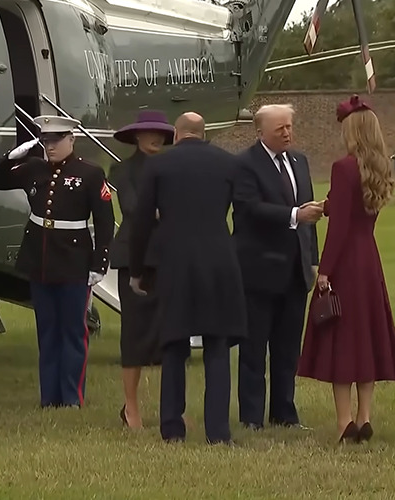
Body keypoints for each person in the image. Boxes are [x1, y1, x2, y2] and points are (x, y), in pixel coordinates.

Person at [129, 112, 246, 445]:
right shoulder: (228, 163)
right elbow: (243, 213)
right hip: (219, 260)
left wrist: (138, 270)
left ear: (177, 135)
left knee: (174, 344)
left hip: (174, 261)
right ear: (203, 132)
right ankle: (218, 432)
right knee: (217, 346)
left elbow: (140, 224)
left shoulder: (159, 166)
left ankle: (171, 427)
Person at [0, 115, 115, 409]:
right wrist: (8, 158)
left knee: (72, 331)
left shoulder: (89, 173)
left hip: (73, 261)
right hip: (39, 259)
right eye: (46, 141)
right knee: (47, 331)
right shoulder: (34, 169)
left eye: (57, 140)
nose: (51, 146)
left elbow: (105, 222)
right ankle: (49, 397)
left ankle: (71, 397)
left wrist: (99, 263)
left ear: (72, 139)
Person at [297, 95, 395, 444]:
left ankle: (345, 422)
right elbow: (355, 211)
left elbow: (341, 227)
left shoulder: (343, 168)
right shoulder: (377, 168)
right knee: (368, 336)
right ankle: (364, 415)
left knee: (342, 340)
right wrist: (328, 205)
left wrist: (325, 270)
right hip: (369, 260)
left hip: (346, 263)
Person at [232, 103, 322, 431]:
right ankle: (252, 417)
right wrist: (295, 215)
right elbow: (249, 209)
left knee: (287, 350)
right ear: (260, 133)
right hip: (258, 272)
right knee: (254, 349)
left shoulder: (299, 162)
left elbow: (310, 215)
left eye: (289, 127)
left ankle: (284, 413)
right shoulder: (244, 165)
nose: (287, 133)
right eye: (279, 129)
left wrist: (312, 257)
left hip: (294, 272)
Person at [109, 110, 174, 429]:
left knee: (168, 333)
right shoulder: (122, 169)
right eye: (150, 132)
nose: (157, 138)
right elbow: (133, 209)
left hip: (168, 257)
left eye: (161, 133)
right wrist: (165, 211)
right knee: (134, 333)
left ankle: (170, 407)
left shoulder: (173, 167)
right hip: (134, 258)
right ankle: (131, 408)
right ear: (136, 135)